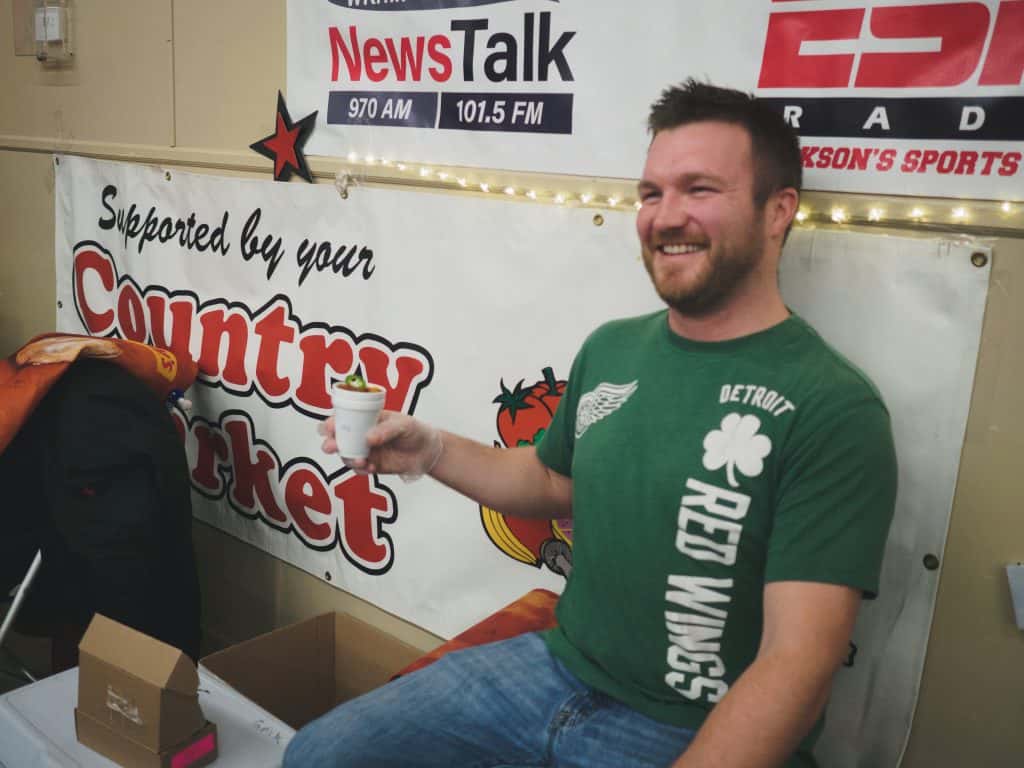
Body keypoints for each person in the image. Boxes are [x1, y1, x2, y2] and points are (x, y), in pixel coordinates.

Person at [284, 79, 898, 768]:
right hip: (553, 668)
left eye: (699, 189)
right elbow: (552, 481)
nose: (665, 216)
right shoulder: (612, 348)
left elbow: (798, 665)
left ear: (778, 210)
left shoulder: (832, 406)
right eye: (651, 193)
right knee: (319, 755)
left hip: (688, 726)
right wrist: (429, 450)